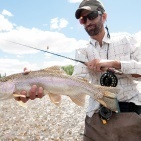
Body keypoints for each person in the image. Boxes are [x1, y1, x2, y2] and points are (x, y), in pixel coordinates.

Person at [15, 0, 141, 140]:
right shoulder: (82, 51)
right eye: (83, 19)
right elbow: (73, 83)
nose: (87, 22)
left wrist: (115, 63)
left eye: (91, 15)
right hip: (96, 121)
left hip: (131, 117)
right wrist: (39, 79)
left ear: (104, 16)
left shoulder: (126, 40)